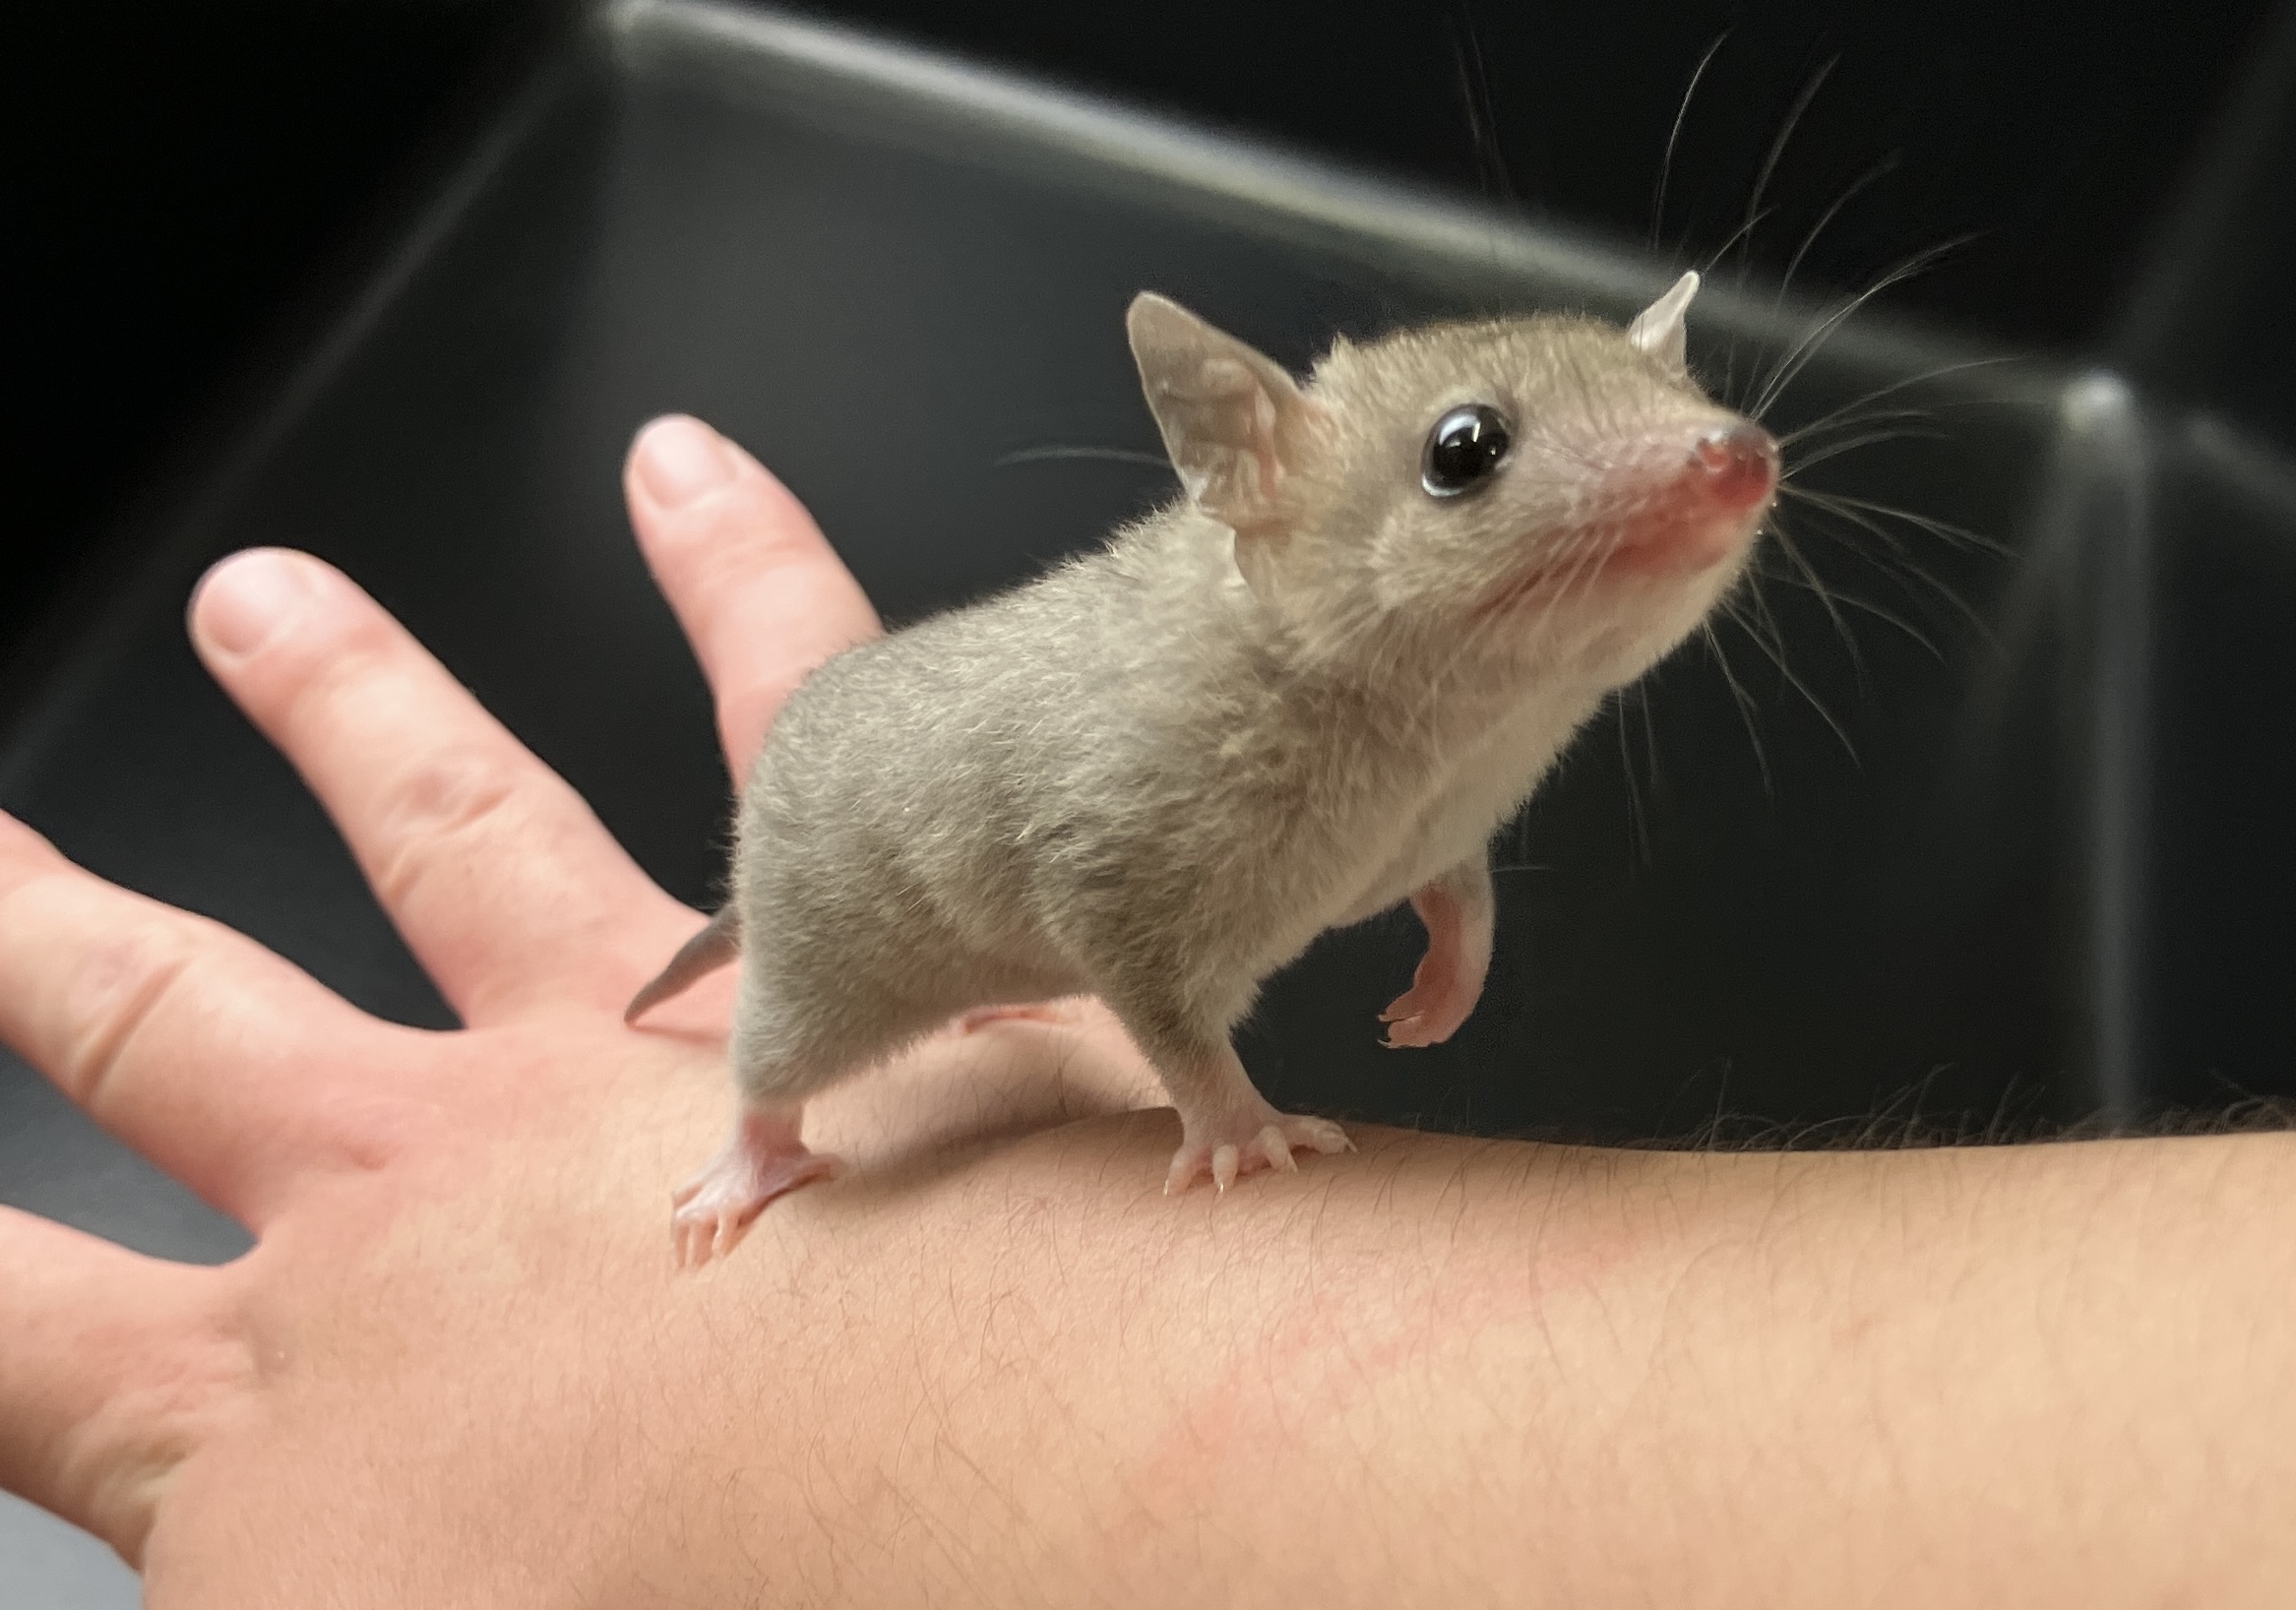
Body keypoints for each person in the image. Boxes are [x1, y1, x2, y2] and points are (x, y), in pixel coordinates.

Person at [0, 414, 2288, 1606]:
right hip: (909, 897)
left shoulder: (1467, 698)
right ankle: (760, 1124)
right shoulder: (1247, 704)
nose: (1714, 462)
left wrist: (1445, 919)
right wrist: (1196, 1108)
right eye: (1479, 459)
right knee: (797, 1010)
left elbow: (1433, 809)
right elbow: (1127, 900)